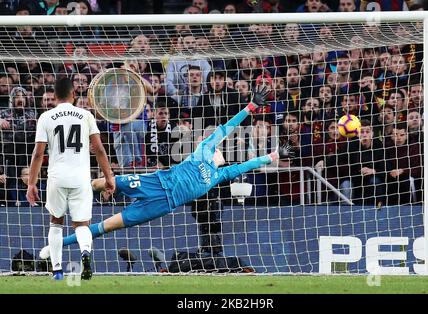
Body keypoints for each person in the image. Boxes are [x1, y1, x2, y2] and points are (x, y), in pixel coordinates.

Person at [39, 85, 278, 257]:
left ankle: (56, 246)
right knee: (104, 181)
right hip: (153, 181)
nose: (222, 150)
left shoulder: (220, 175)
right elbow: (228, 127)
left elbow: (249, 164)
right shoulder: (205, 149)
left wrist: (274, 156)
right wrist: (251, 106)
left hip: (161, 205)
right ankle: (71, 198)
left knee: (107, 227)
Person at [26, 78, 114, 281]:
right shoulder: (85, 115)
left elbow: (38, 154)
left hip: (56, 177)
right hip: (81, 178)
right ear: (73, 94)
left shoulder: (46, 117)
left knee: (56, 223)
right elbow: (99, 149)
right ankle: (85, 254)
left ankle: (57, 271)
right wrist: (109, 177)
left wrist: (31, 183)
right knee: (82, 224)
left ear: (54, 97)